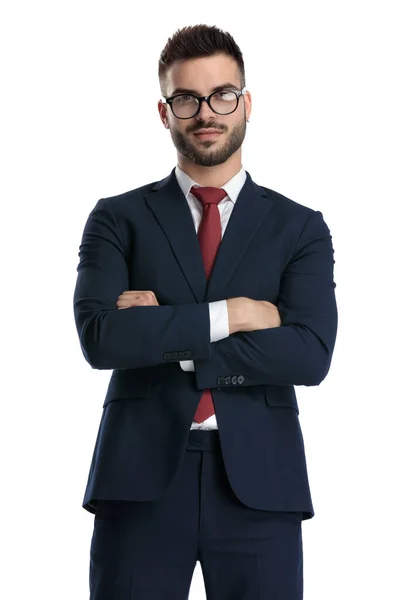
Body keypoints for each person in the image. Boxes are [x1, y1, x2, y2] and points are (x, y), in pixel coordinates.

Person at [73, 23, 338, 600]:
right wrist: (237, 313)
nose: (206, 113)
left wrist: (165, 328)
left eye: (222, 95)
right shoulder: (117, 219)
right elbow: (102, 339)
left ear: (246, 103)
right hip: (138, 480)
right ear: (164, 112)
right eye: (187, 99)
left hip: (261, 486)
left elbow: (310, 353)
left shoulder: (299, 227)